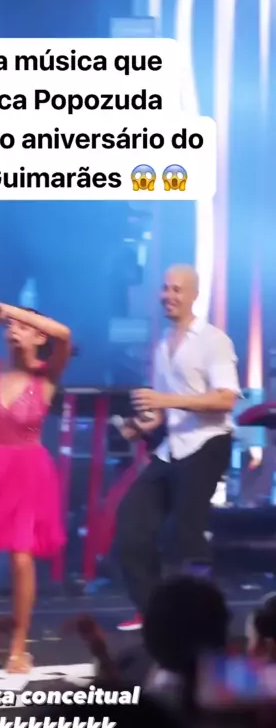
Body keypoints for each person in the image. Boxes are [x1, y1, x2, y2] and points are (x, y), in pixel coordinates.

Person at [115, 264, 240, 631]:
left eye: (177, 289)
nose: (168, 296)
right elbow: (162, 410)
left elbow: (225, 399)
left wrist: (166, 400)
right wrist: (140, 425)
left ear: (194, 295)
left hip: (208, 441)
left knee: (186, 534)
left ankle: (203, 618)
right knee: (132, 525)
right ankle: (153, 612)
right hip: (174, 445)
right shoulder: (162, 346)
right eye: (165, 288)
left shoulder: (214, 340)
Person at [0, 303, 71, 673]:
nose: (14, 329)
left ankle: (19, 647)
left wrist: (11, 309)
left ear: (39, 335)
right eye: (11, 325)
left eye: (24, 325)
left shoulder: (46, 376)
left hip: (27, 473)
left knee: (22, 558)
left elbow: (64, 335)